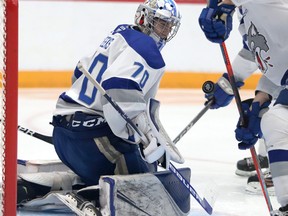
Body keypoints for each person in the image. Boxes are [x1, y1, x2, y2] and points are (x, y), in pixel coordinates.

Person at [51, 0, 183, 188]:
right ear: (144, 18)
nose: (165, 32)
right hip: (93, 143)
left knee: (130, 160)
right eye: (162, 24)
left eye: (169, 27)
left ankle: (40, 187)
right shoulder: (147, 49)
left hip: (62, 135)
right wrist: (143, 138)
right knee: (145, 183)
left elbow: (78, 75)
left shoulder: (118, 35)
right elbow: (119, 85)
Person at [198, 0, 288, 215]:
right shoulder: (247, 12)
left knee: (276, 120)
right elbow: (260, 50)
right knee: (268, 117)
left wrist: (223, 5)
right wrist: (231, 84)